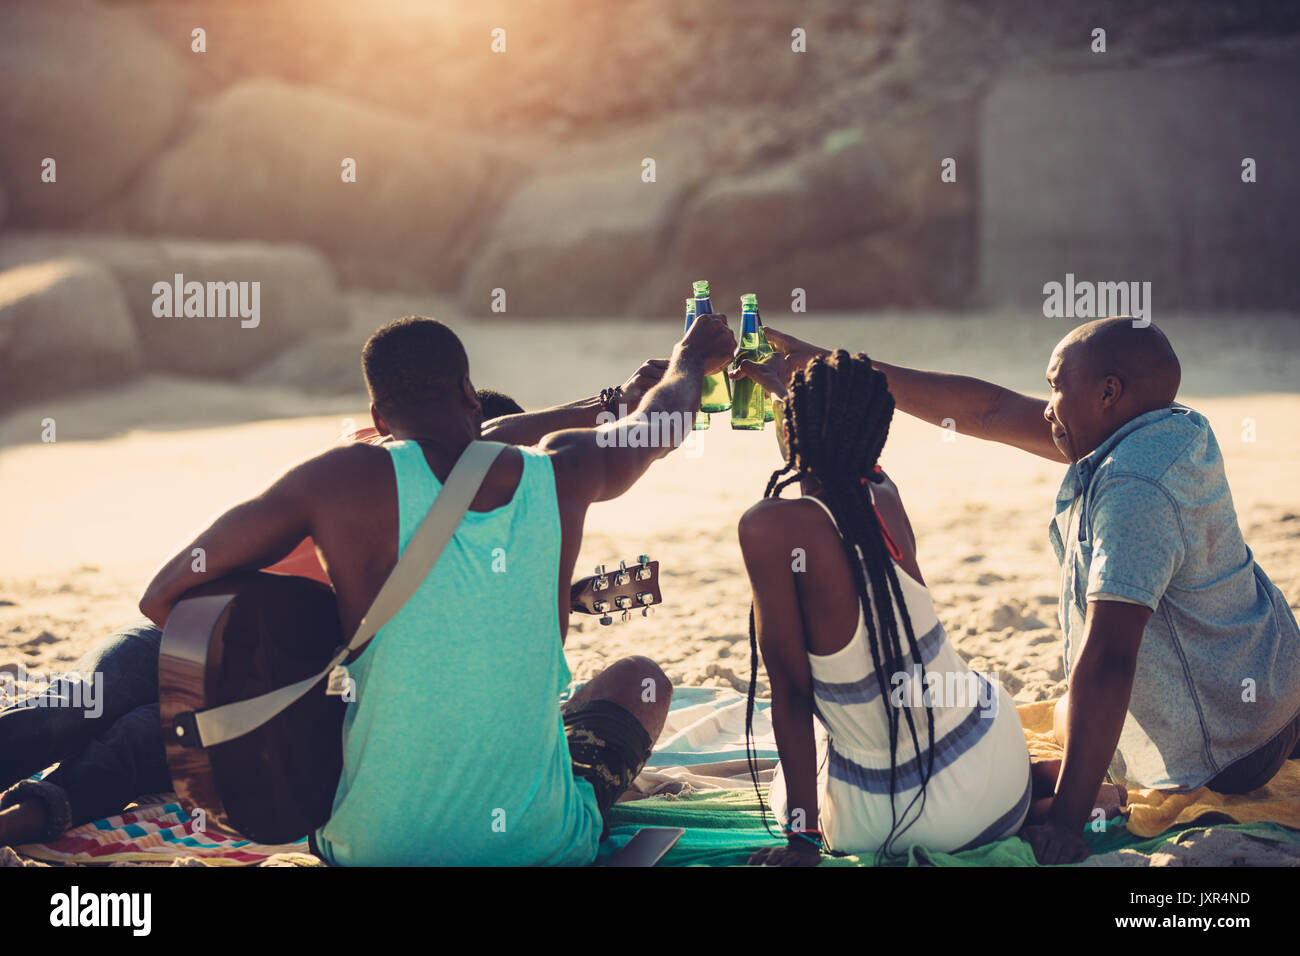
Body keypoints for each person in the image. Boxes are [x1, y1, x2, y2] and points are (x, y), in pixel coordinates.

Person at [0, 330, 720, 866]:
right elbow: (660, 426)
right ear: (469, 394)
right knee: (641, 681)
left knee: (111, 717)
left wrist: (308, 648)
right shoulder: (562, 472)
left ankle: (34, 808)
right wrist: (694, 358)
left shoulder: (338, 479)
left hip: (365, 842)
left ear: (377, 411)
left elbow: (165, 594)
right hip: (531, 846)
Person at [738, 318, 1300, 865]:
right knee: (1061, 719)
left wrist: (1065, 823)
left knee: (1074, 713)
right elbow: (990, 410)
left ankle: (1067, 798)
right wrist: (831, 369)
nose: (1047, 404)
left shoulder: (1136, 493)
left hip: (1227, 748)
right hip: (1267, 689)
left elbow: (1108, 659)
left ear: (1108, 392)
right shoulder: (1165, 428)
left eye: (1056, 387)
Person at [733, 349, 1034, 865]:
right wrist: (788, 394)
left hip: (892, 821)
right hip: (999, 777)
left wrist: (802, 840)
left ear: (792, 429)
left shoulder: (768, 527)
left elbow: (789, 691)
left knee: (793, 770)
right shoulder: (882, 492)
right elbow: (835, 457)